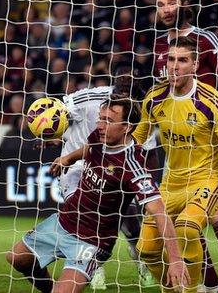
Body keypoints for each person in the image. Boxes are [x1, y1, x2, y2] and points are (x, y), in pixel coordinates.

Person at [7, 95, 189, 293]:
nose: (100, 125)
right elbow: (89, 148)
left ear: (127, 127)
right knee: (16, 257)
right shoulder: (99, 136)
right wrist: (67, 158)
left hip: (92, 241)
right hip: (64, 222)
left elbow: (160, 212)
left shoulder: (132, 166)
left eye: (109, 120)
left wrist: (176, 261)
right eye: (101, 118)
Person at [152, 0, 218, 292]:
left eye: (171, 3)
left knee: (216, 210)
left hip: (209, 138)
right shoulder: (158, 45)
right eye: (160, 5)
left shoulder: (204, 39)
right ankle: (212, 283)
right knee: (183, 215)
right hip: (178, 142)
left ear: (183, 5)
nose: (166, 9)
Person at [55, 62, 154, 290]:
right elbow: (59, 111)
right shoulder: (90, 97)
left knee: (131, 226)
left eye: (133, 78)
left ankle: (141, 262)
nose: (127, 81)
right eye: (123, 78)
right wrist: (50, 132)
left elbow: (148, 151)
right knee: (80, 217)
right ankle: (93, 268)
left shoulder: (139, 113)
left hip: (113, 174)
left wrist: (145, 186)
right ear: (114, 79)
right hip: (77, 170)